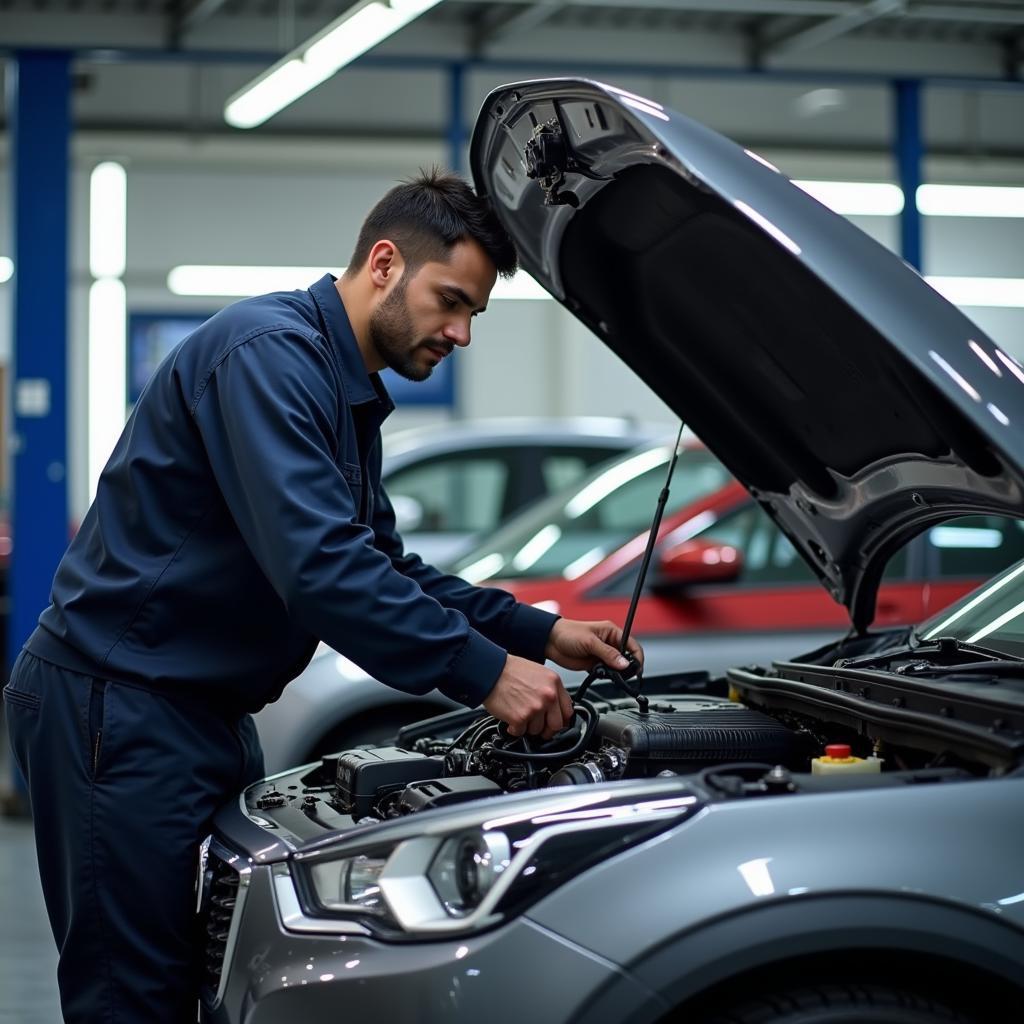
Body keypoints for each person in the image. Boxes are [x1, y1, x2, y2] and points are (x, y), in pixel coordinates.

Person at [2, 168, 643, 1023]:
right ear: (384, 263)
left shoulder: (343, 392)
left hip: (197, 713)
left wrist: (539, 632)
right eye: (449, 301)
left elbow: (383, 562)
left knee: (209, 980)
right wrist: (490, 674)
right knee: (132, 999)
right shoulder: (268, 355)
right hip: (116, 709)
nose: (460, 333)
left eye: (474, 315)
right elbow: (321, 568)